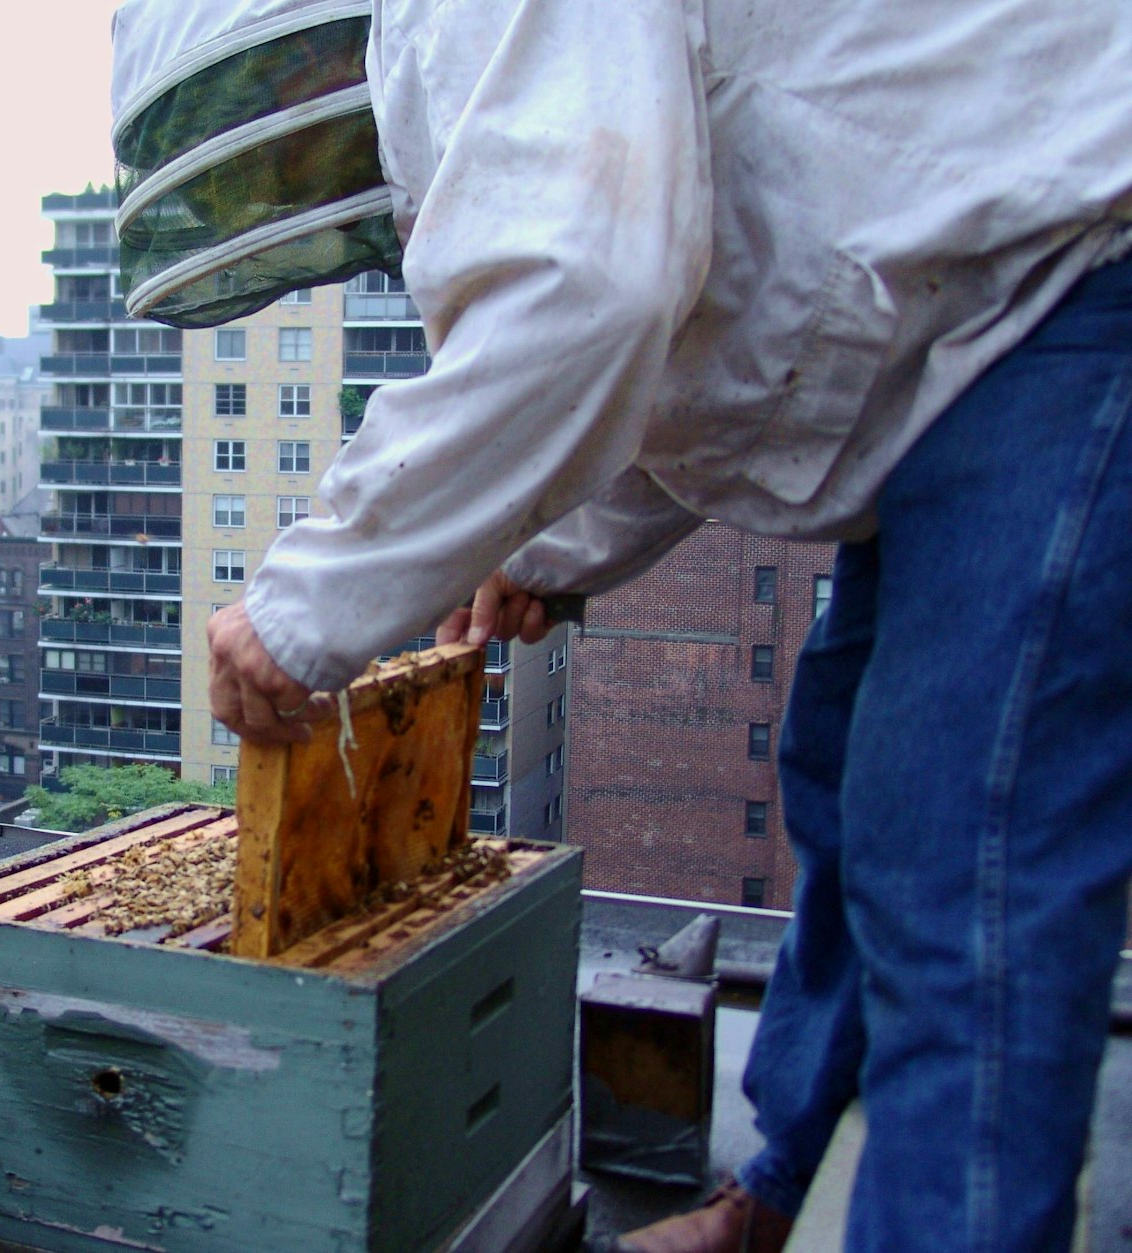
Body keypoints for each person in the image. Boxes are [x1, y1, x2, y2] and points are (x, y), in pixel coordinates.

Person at [204, 0, 1132, 1249]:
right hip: (969, 319)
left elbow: (591, 288)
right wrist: (539, 548)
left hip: (1073, 271)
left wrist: (302, 609)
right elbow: (713, 321)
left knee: (959, 856)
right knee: (849, 780)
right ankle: (772, 1194)